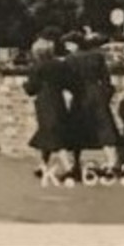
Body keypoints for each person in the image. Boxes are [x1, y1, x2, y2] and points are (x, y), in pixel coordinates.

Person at [65, 33, 120, 177]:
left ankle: (76, 163)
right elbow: (107, 79)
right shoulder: (97, 56)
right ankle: (112, 163)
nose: (67, 48)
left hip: (80, 95)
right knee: (105, 128)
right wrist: (106, 94)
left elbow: (69, 81)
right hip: (97, 94)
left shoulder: (71, 59)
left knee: (76, 130)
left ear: (74, 44)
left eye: (68, 45)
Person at [23, 27, 73, 180]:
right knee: (47, 132)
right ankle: (42, 166)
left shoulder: (37, 67)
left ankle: (67, 166)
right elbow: (68, 82)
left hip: (44, 101)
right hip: (58, 99)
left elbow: (31, 89)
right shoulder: (60, 65)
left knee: (52, 134)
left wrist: (25, 84)